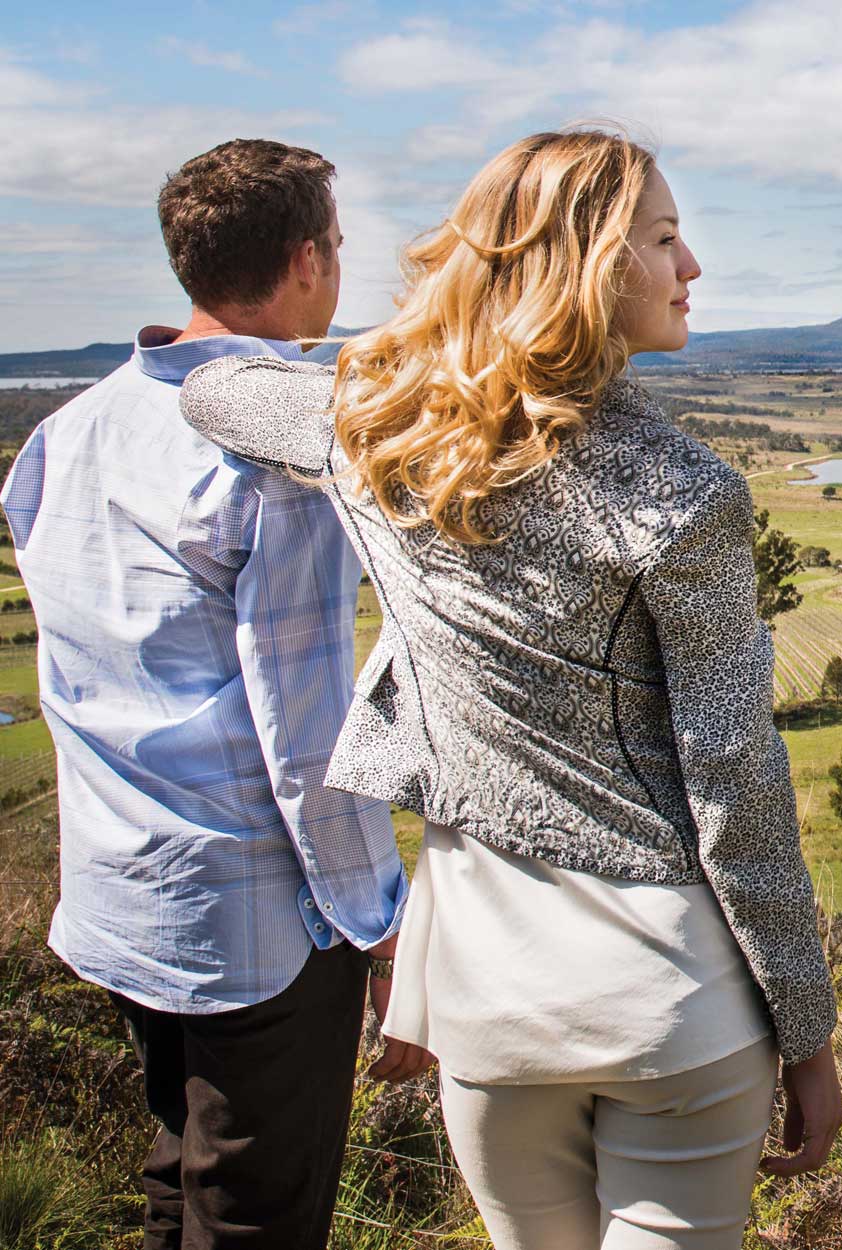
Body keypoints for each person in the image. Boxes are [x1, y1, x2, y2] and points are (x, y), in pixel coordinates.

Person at [179, 127, 842, 1250]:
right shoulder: (683, 493)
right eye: (667, 239)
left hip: (486, 1000)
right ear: (584, 266)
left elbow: (215, 389)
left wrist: (422, 350)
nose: (693, 269)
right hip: (668, 1002)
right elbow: (737, 789)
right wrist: (809, 1035)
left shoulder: (377, 436)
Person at [2, 139, 416, 1249]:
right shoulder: (280, 453)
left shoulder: (68, 430)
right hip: (257, 925)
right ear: (302, 261)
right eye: (335, 244)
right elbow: (308, 731)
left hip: (127, 894)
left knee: (175, 1173)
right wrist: (381, 926)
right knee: (254, 1216)